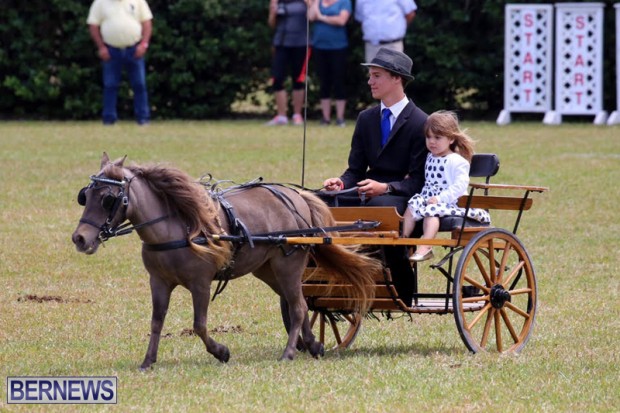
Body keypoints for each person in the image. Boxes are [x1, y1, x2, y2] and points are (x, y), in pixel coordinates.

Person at [322, 47, 428, 305]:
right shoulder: (366, 119)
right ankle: (324, 278)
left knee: (380, 207)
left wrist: (386, 188)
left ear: (397, 78)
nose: (370, 81)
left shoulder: (421, 122)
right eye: (370, 75)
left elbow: (418, 181)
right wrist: (340, 183)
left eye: (376, 75)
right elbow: (355, 170)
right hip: (366, 192)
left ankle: (401, 285)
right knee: (319, 201)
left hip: (400, 196)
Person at [403, 111, 491, 262]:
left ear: (451, 139)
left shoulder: (457, 161)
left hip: (452, 202)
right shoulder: (429, 157)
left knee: (431, 212)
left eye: (437, 138)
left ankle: (425, 247)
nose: (432, 142)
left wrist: (440, 198)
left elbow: (459, 186)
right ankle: (403, 241)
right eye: (428, 137)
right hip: (429, 199)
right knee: (411, 207)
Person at [87, 0, 153, 125]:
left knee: (139, 85)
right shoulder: (100, 2)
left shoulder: (138, 1)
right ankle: (109, 119)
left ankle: (143, 118)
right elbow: (93, 26)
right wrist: (101, 47)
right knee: (110, 85)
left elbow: (147, 23)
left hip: (134, 49)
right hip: (111, 50)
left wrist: (144, 45)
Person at [306, 0, 352, 127]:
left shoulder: (344, 2)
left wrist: (322, 17)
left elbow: (341, 21)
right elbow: (311, 17)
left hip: (338, 47)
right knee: (323, 82)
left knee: (339, 81)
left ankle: (340, 118)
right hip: (319, 47)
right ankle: (325, 118)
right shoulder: (319, 2)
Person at [266, 0, 309, 126]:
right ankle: (281, 116)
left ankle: (297, 115)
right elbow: (271, 23)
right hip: (281, 43)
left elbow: (312, 17)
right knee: (277, 78)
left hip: (301, 43)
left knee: (298, 79)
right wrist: (273, 12)